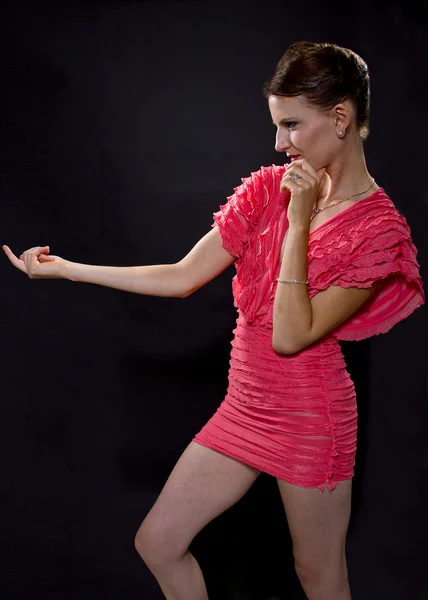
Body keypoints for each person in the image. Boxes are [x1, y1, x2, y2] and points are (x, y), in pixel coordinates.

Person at [3, 41, 425, 600]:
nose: (280, 144)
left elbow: (292, 333)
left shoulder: (377, 232)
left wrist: (298, 224)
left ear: (340, 118)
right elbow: (181, 277)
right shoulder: (267, 188)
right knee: (158, 540)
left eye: (292, 125)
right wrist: (67, 270)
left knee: (319, 576)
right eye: (276, 126)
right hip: (245, 404)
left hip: (311, 417)